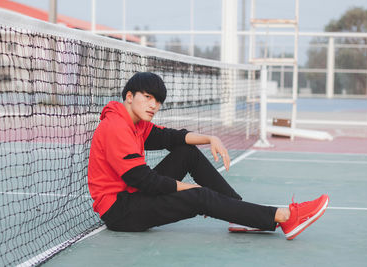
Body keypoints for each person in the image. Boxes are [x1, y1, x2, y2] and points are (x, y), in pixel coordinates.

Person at [88, 72, 329, 240]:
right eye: (148, 97)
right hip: (121, 211)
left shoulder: (137, 124)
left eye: (158, 100)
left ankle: (239, 212)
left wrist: (211, 139)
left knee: (186, 154)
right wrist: (188, 189)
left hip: (133, 196)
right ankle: (284, 217)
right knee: (200, 196)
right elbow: (143, 180)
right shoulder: (116, 127)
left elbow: (172, 138)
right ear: (129, 97)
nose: (154, 105)